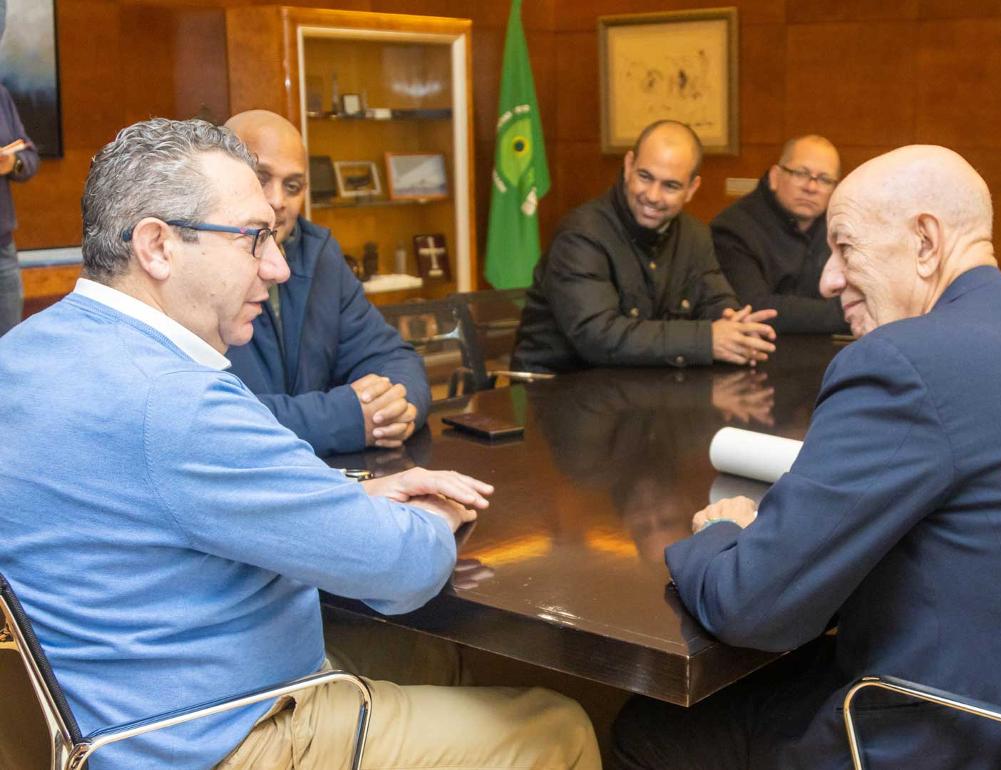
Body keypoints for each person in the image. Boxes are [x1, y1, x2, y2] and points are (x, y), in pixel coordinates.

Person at [0, 118, 599, 770]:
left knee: (447, 658)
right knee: (559, 726)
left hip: (104, 713)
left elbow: (167, 499)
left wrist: (356, 491)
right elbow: (401, 574)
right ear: (158, 247)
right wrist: (433, 513)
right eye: (254, 238)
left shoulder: (23, 353)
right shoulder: (178, 400)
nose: (279, 265)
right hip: (224, 734)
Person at [612, 145, 1001, 770]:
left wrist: (721, 534)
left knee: (651, 728)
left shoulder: (905, 361)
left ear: (926, 243)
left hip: (954, 732)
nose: (827, 278)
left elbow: (749, 606)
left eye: (845, 247)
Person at [222, 110, 429, 456]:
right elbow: (220, 422)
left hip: (320, 478)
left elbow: (392, 358)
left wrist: (396, 407)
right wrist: (347, 419)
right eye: (261, 178)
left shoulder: (317, 253)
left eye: (293, 186)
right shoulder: (195, 266)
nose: (277, 200)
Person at [511, 119, 777, 372]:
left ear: (692, 188)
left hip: (640, 387)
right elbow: (598, 337)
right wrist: (707, 339)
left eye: (670, 186)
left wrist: (734, 326)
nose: (652, 196)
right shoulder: (581, 235)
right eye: (645, 177)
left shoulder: (694, 235)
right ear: (628, 166)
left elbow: (715, 300)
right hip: (555, 390)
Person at [711, 135, 850, 334]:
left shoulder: (839, 227)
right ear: (775, 177)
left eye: (825, 180)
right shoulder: (733, 229)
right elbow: (755, 308)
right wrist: (848, 313)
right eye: (801, 174)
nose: (811, 187)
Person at [0, 82, 38, 336]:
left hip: (2, 245)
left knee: (10, 338)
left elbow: (29, 157)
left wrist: (12, 163)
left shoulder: (1, 95)